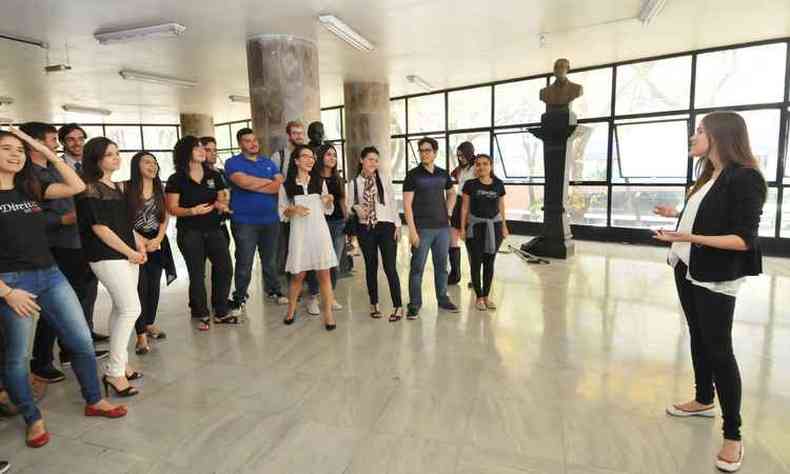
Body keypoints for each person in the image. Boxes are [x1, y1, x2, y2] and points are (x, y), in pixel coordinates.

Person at [653, 111, 766, 473]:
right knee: (698, 337)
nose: (693, 135)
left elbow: (743, 240)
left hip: (716, 275)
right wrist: (679, 215)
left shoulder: (746, 178)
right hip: (687, 267)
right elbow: (705, 217)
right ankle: (704, 399)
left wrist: (687, 236)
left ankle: (733, 435)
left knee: (719, 349)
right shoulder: (707, 176)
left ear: (719, 135)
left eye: (699, 130)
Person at [0, 126, 127, 449]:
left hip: (51, 275)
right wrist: (6, 292)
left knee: (81, 341)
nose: (15, 154)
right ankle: (32, 417)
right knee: (17, 359)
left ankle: (94, 400)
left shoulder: (30, 187)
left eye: (19, 149)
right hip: (13, 284)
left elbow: (76, 184)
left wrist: (38, 148)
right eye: (6, 148)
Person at [20, 123, 108, 384]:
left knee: (77, 298)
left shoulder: (52, 169)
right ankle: (42, 361)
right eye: (51, 141)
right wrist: (62, 220)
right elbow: (28, 216)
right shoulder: (28, 175)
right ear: (34, 144)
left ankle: (72, 349)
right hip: (55, 244)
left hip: (75, 242)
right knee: (53, 306)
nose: (55, 146)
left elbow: (77, 189)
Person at [75, 137, 148, 397]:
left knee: (121, 308)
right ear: (96, 159)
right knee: (132, 309)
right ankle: (114, 372)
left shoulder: (114, 186)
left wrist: (138, 244)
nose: (116, 158)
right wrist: (129, 251)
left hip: (126, 253)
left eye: (117, 153)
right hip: (106, 255)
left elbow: (124, 224)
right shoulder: (89, 188)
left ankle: (121, 364)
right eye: (109, 154)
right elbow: (100, 228)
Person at [165, 136, 233, 331]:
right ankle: (201, 312)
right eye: (198, 148)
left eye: (203, 148)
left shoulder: (214, 175)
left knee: (225, 268)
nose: (203, 151)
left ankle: (221, 311)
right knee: (197, 274)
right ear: (186, 152)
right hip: (190, 232)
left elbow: (221, 199)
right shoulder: (176, 179)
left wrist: (222, 205)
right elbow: (172, 208)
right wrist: (191, 211)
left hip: (214, 229)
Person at [225, 128, 287, 315]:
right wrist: (265, 182)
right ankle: (240, 296)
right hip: (244, 221)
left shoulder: (267, 162)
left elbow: (277, 185)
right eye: (247, 140)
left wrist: (254, 183)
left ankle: (273, 290)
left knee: (270, 260)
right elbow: (242, 182)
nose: (253, 143)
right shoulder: (232, 162)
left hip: (270, 220)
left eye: (254, 140)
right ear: (240, 144)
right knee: (244, 260)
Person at [57, 123, 109, 347]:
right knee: (71, 295)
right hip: (66, 239)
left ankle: (86, 331)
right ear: (62, 143)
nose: (77, 143)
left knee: (90, 290)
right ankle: (70, 345)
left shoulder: (91, 169)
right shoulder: (56, 167)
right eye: (71, 139)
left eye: (81, 138)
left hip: (91, 237)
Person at [278, 145, 337, 330]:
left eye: (312, 157)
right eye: (305, 156)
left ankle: (328, 313)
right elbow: (282, 212)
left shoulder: (319, 181)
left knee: (324, 274)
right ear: (296, 160)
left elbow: (328, 208)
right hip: (300, 234)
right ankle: (291, 309)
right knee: (298, 275)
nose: (310, 160)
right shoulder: (286, 185)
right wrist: (293, 209)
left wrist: (329, 201)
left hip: (320, 232)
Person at [125, 152, 176, 355]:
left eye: (154, 162)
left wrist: (157, 239)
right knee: (139, 288)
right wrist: (141, 240)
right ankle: (140, 336)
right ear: (136, 166)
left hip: (156, 242)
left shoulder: (159, 188)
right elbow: (121, 218)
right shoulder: (126, 188)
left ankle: (149, 323)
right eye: (147, 162)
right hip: (134, 243)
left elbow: (165, 218)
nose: (152, 165)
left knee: (153, 286)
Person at [402, 137, 459, 320]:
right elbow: (407, 205)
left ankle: (442, 299)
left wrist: (449, 211)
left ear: (435, 152)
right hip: (422, 229)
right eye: (421, 150)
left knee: (442, 267)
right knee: (417, 268)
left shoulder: (443, 174)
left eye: (427, 150)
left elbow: (452, 193)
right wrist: (411, 231)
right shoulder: (413, 175)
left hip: (442, 228)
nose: (424, 153)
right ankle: (414, 304)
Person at [349, 146, 403, 321]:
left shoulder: (384, 179)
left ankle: (398, 306)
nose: (373, 163)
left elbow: (393, 204)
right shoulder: (353, 183)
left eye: (376, 160)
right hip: (366, 228)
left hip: (386, 226)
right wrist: (356, 208)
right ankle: (374, 303)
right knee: (370, 267)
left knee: (390, 267)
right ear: (361, 160)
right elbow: (350, 205)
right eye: (370, 159)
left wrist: (397, 225)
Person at [460, 154, 508, 311]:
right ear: (475, 167)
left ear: (491, 166)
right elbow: (465, 208)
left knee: (489, 262)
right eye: (478, 164)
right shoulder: (470, 184)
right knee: (476, 262)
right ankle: (479, 297)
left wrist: (504, 226)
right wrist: (462, 228)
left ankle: (486, 296)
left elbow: (501, 206)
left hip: (494, 228)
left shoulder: (499, 184)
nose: (481, 167)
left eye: (485, 164)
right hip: (475, 227)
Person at [307, 144, 346, 309]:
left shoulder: (338, 178)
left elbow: (342, 200)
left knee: (334, 263)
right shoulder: (313, 178)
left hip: (337, 223)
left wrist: (346, 220)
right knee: (318, 262)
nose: (332, 158)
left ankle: (329, 296)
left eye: (334, 155)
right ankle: (313, 297)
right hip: (319, 223)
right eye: (329, 154)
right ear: (321, 157)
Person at [272, 122, 306, 281]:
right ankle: (290, 280)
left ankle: (304, 279)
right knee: (287, 246)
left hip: (305, 207)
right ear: (288, 135)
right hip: (288, 209)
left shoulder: (308, 154)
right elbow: (273, 183)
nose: (298, 136)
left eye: (300, 133)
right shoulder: (279, 156)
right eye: (295, 133)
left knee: (304, 246)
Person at [448, 141, 476, 286]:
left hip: (471, 204)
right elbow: (452, 176)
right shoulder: (462, 169)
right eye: (458, 156)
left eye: (463, 155)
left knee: (470, 244)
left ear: (469, 153)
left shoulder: (477, 167)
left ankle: (474, 277)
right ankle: (455, 274)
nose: (460, 158)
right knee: (451, 239)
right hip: (459, 203)